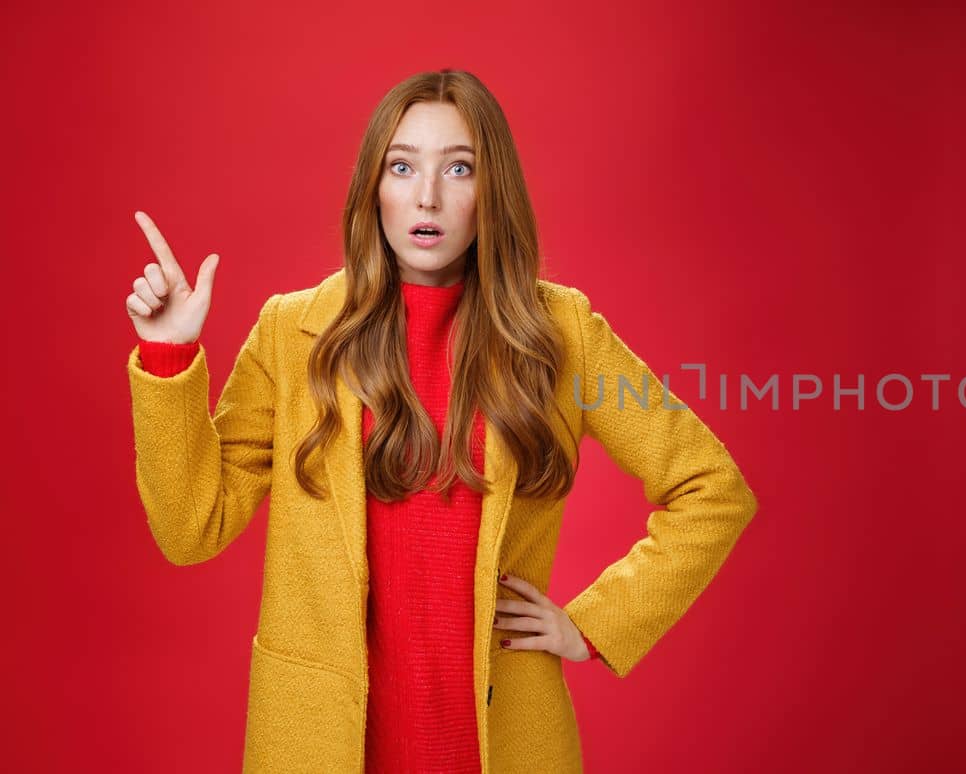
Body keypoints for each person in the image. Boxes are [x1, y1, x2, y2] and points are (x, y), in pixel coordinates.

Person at [123, 69, 758, 773]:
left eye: (459, 168)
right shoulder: (292, 331)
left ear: (493, 193)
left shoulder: (561, 333)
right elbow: (191, 527)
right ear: (375, 187)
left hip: (500, 740)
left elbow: (713, 489)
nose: (428, 196)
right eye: (403, 167)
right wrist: (168, 353)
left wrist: (594, 626)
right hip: (323, 745)